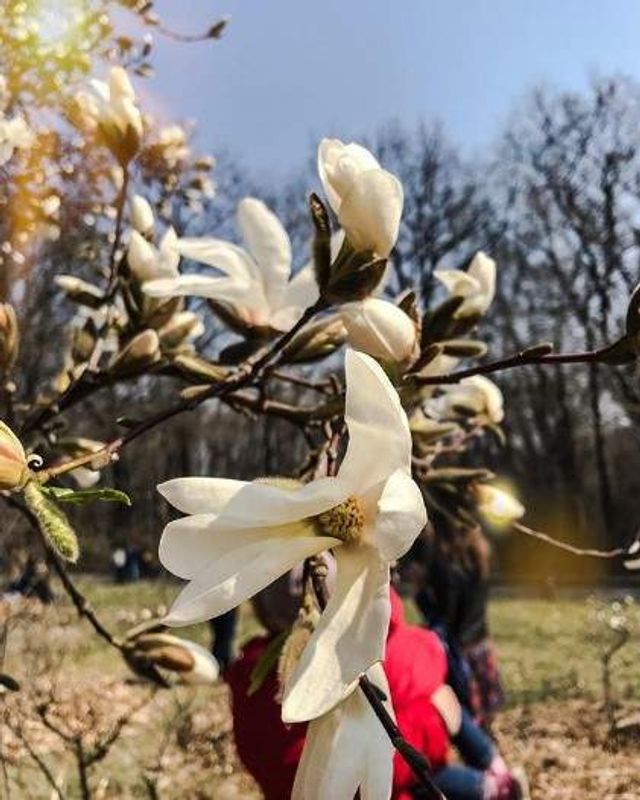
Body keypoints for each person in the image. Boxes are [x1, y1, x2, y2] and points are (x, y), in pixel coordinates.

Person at [227, 566, 521, 800]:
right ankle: (490, 784)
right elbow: (360, 768)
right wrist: (432, 720)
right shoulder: (311, 677)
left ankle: (491, 778)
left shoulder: (256, 677)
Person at [409, 521, 505, 725]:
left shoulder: (446, 565)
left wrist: (420, 592)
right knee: (484, 718)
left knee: (466, 718)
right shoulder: (479, 552)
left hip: (459, 654)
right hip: (480, 643)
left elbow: (444, 616)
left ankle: (483, 743)